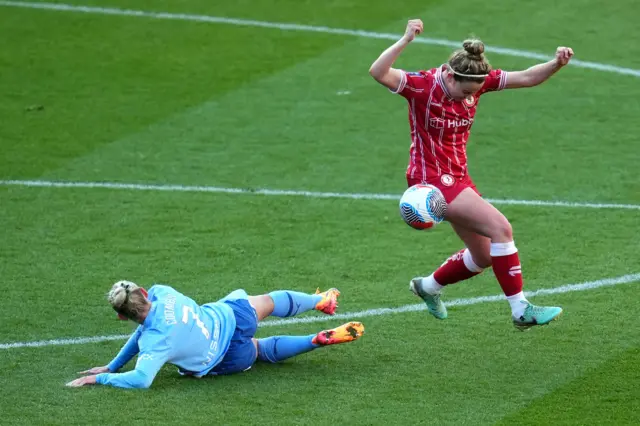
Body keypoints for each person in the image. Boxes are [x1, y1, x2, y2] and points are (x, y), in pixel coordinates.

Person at [369, 19, 574, 330]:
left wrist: (556, 63)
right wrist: (406, 39)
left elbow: (528, 77)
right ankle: (520, 310)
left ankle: (428, 287)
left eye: (473, 93)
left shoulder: (477, 82)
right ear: (449, 75)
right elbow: (378, 72)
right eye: (462, 91)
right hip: (431, 181)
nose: (464, 98)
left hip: (458, 176)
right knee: (501, 229)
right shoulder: (422, 86)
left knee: (483, 256)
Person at [66, 281, 364, 388]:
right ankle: (321, 300)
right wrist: (112, 365)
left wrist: (102, 375)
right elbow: (144, 329)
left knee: (259, 350)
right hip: (231, 316)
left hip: (226, 357)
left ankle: (313, 341)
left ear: (122, 316)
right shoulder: (163, 292)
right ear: (144, 292)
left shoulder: (154, 342)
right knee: (267, 301)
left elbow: (142, 379)